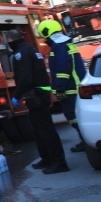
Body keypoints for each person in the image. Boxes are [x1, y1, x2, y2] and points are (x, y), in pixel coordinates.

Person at [10, 33, 68, 174]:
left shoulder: (21, 54)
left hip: (36, 96)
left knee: (45, 130)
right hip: (38, 95)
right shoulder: (31, 50)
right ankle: (47, 158)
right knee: (38, 130)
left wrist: (16, 95)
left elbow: (26, 78)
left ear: (12, 41)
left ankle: (58, 162)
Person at [40, 18, 88, 153]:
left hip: (70, 88)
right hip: (76, 85)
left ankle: (85, 140)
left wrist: (60, 88)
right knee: (76, 115)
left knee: (72, 116)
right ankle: (85, 139)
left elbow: (62, 69)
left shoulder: (58, 46)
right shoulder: (66, 43)